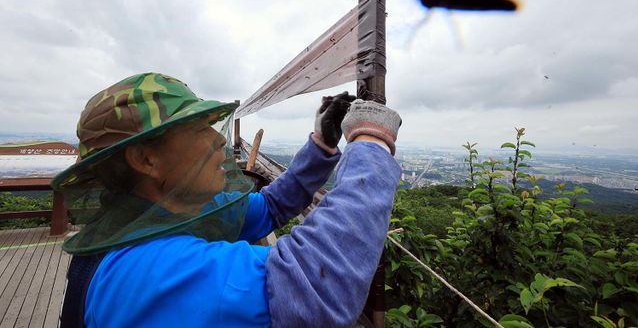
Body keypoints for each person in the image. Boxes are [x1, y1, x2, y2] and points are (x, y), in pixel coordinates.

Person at [54, 72, 402, 328]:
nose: (218, 140)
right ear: (146, 159)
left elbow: (270, 207)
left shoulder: (165, 215)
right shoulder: (144, 271)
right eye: (198, 128)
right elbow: (313, 287)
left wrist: (322, 144)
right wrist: (371, 142)